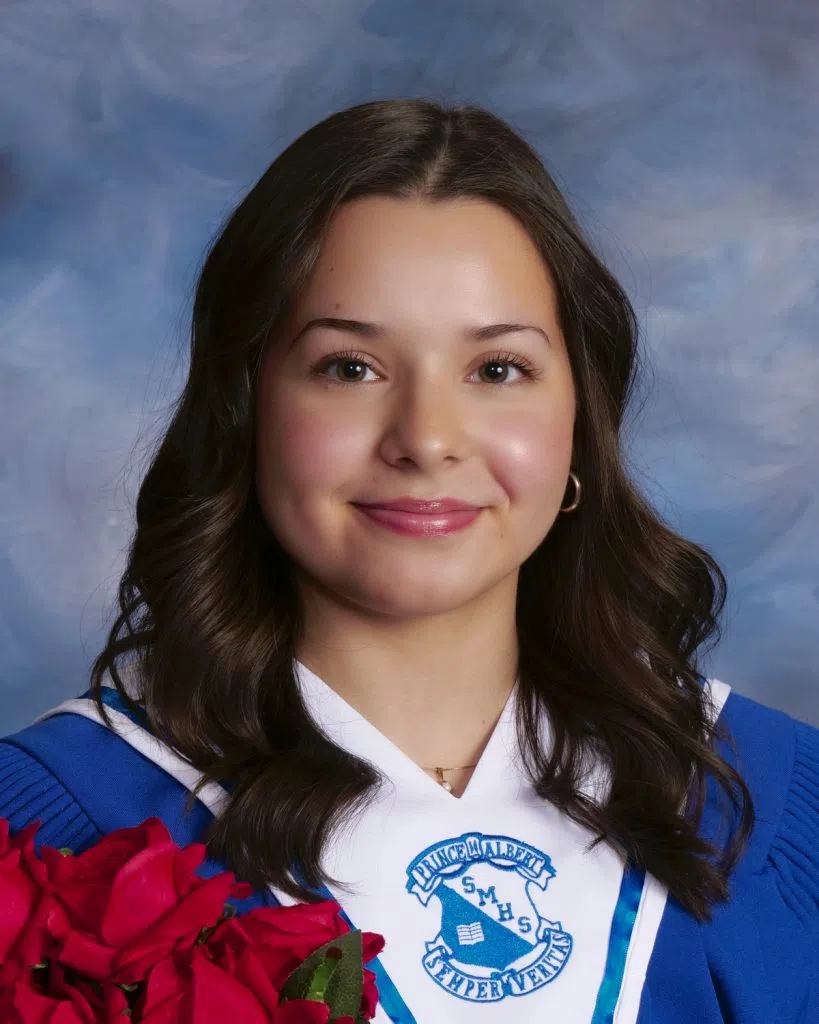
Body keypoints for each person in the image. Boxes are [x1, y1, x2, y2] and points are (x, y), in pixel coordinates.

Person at [1, 97, 816, 1023]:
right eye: (350, 368)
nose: (426, 439)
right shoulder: (54, 839)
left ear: (578, 424)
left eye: (496, 370)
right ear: (245, 410)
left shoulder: (777, 807)